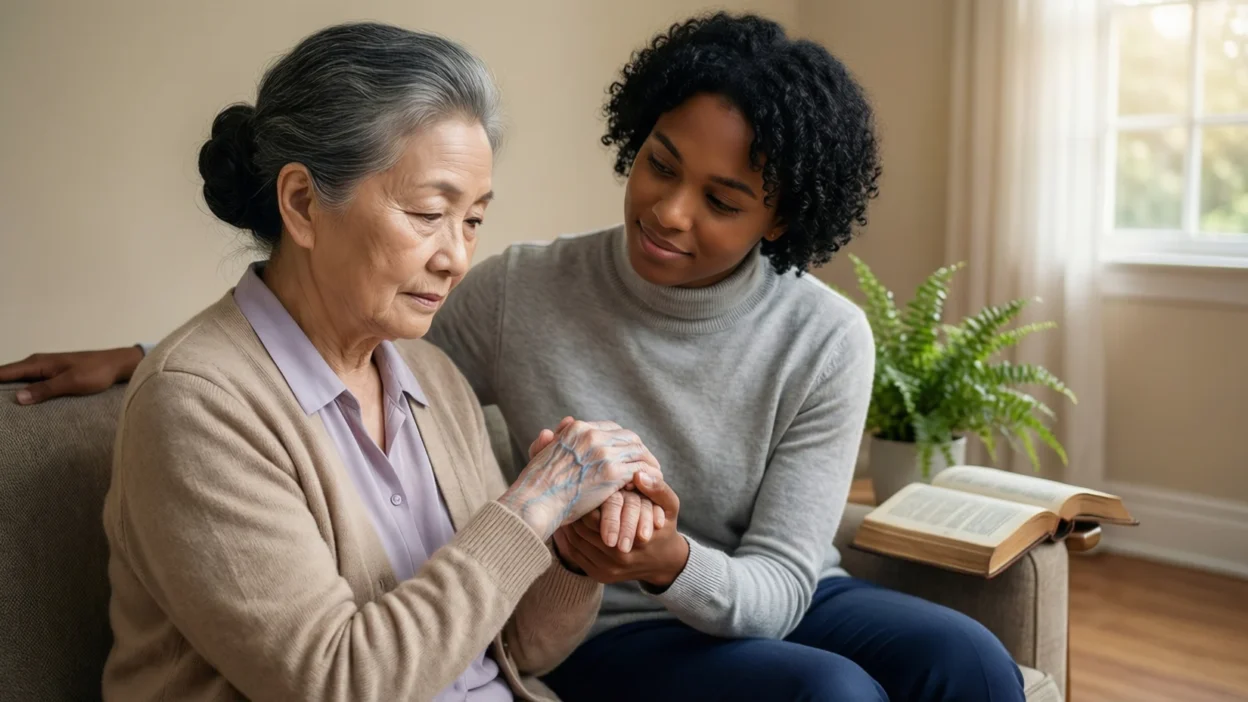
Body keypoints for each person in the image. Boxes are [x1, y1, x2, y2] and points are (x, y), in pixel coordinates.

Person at [3, 12, 1026, 702]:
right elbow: (274, 360)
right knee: (832, 696)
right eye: (660, 166)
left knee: (968, 659)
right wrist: (149, 357)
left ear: (782, 218)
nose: (670, 212)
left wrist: (616, 552)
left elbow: (746, 591)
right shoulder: (500, 301)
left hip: (715, 594)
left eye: (474, 218)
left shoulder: (428, 377)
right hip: (608, 633)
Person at [55, 22, 671, 702]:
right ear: (303, 203)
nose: (457, 257)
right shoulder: (196, 405)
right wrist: (531, 506)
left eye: (472, 221)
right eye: (428, 212)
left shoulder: (432, 376)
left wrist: (575, 548)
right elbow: (338, 683)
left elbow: (520, 649)